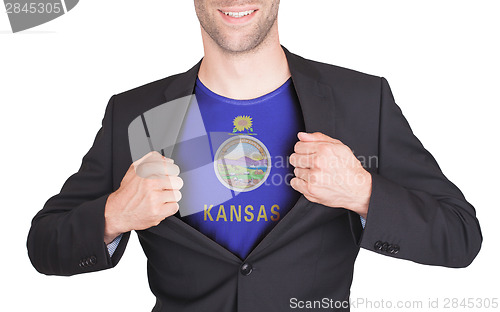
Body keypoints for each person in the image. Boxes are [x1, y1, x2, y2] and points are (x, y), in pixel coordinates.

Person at [27, 1, 482, 311]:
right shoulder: (138, 114)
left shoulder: (361, 101)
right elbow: (44, 245)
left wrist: (363, 192)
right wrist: (114, 214)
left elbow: (460, 236)